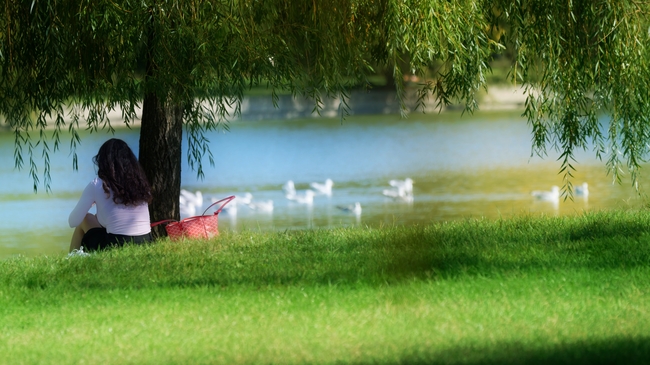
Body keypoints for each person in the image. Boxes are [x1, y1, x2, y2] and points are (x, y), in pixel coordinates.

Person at [68, 138, 153, 253]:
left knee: (85, 218)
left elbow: (73, 222)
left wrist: (92, 203)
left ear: (102, 162)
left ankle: (71, 261)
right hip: (146, 241)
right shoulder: (139, 183)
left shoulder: (97, 184)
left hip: (116, 245)